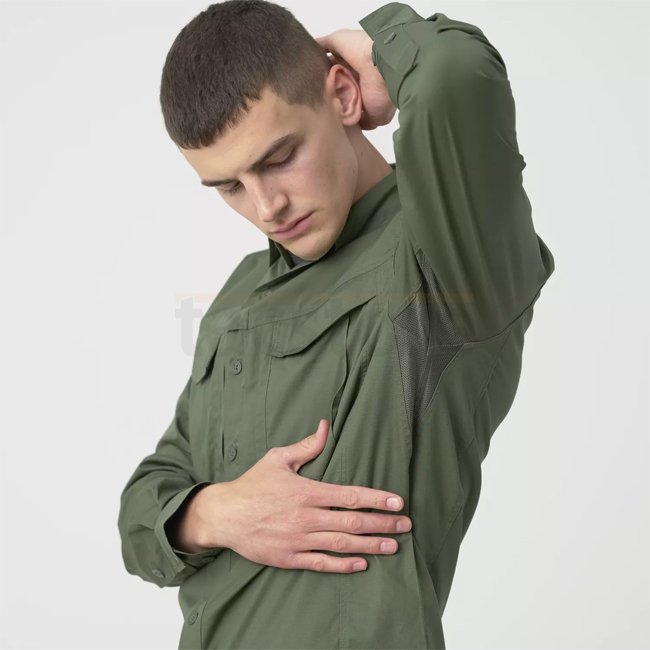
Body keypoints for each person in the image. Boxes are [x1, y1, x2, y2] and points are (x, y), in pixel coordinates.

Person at [117, 0, 555, 648]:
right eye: (230, 186)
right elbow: (142, 513)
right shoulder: (240, 295)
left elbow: (454, 72)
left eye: (278, 157)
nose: (266, 207)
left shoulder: (444, 253)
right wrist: (218, 513)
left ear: (344, 96)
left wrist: (379, 46)